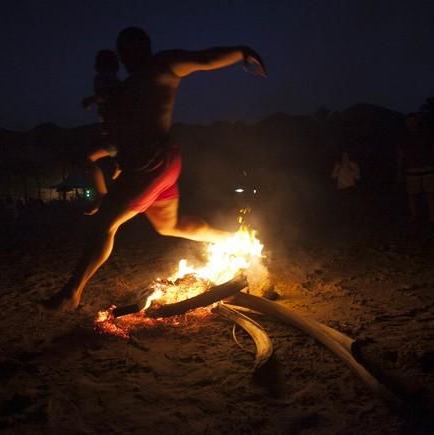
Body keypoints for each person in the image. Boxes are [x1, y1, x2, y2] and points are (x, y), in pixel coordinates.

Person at [43, 27, 267, 311]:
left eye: (127, 50)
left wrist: (241, 51)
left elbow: (205, 59)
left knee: (105, 224)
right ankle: (236, 239)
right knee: (169, 226)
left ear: (140, 48)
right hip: (156, 163)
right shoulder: (130, 84)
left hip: (151, 164)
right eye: (122, 53)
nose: (124, 58)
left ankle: (71, 292)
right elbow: (124, 127)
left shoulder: (162, 65)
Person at [81, 50, 122, 215]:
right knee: (117, 167)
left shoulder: (103, 79)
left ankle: (102, 196)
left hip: (115, 131)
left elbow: (107, 95)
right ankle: (113, 194)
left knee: (89, 158)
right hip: (117, 131)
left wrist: (91, 100)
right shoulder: (116, 81)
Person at [397, 113, 434, 223]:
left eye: (412, 121)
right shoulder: (403, 136)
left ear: (417, 121)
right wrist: (399, 170)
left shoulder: (426, 133)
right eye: (408, 121)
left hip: (427, 167)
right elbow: (401, 154)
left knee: (430, 193)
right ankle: (414, 216)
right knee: (412, 195)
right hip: (411, 169)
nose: (410, 123)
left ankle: (432, 216)